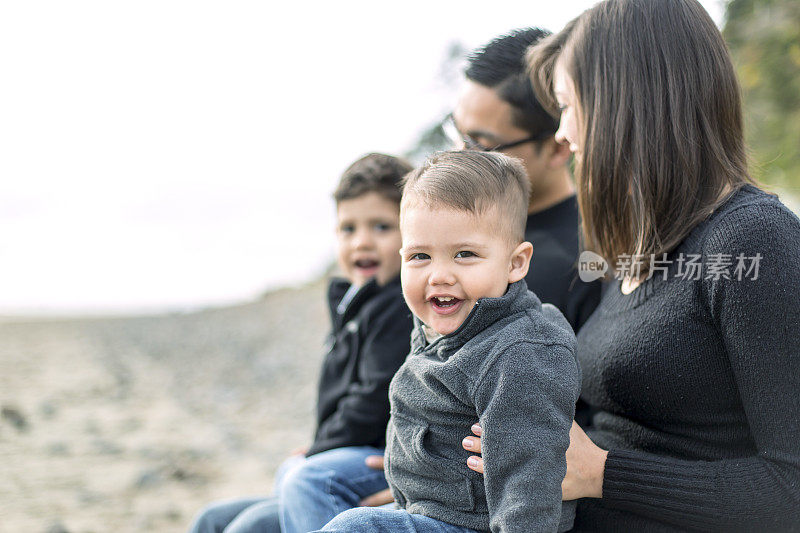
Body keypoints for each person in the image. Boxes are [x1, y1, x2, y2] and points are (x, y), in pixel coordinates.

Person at [460, 0, 800, 530]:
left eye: (569, 107)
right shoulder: (634, 247)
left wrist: (602, 474)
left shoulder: (756, 242)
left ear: (626, 105)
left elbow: (792, 488)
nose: (564, 135)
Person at [315, 150, 581, 533]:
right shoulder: (443, 326)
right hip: (425, 505)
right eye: (420, 256)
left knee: (354, 528)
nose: (439, 275)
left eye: (465, 254)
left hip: (476, 524)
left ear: (515, 262)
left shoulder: (521, 352)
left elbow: (531, 480)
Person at [187, 153, 414, 533]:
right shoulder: (352, 301)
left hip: (380, 457)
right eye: (348, 229)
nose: (362, 242)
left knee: (261, 514)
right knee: (212, 519)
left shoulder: (399, 304)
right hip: (346, 453)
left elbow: (372, 399)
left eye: (381, 227)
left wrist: (318, 451)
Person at [446, 27, 601, 334]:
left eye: (479, 144)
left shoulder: (588, 261)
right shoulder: (448, 231)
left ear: (558, 147)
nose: (458, 156)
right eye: (456, 134)